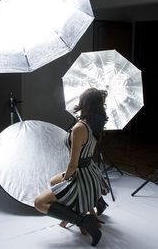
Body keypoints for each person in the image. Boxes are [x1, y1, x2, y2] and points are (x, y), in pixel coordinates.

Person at [34, 87, 110, 246]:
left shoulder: (79, 128)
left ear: (85, 104)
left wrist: (66, 181)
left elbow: (73, 164)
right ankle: (83, 212)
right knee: (53, 181)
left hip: (81, 175)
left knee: (39, 203)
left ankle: (82, 221)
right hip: (92, 172)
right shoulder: (95, 124)